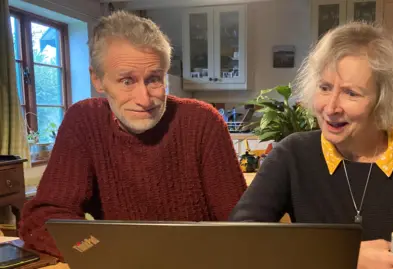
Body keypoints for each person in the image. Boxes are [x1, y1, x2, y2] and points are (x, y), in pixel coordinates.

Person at [229, 22, 393, 269]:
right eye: (325, 88)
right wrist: (345, 257)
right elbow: (237, 242)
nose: (331, 107)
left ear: (383, 100)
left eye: (351, 93)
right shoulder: (292, 155)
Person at [19, 11, 247, 258]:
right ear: (98, 79)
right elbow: (43, 218)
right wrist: (99, 250)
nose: (144, 99)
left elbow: (243, 227)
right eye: (127, 81)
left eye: (154, 79)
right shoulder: (84, 121)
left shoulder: (203, 122)